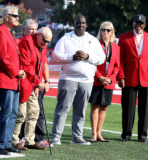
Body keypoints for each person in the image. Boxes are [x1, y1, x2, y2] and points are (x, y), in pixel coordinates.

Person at [51, 14, 105, 145]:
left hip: (86, 80)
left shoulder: (92, 40)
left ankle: (77, 137)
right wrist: (72, 57)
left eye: (83, 23)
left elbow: (101, 58)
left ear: (86, 25)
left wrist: (88, 56)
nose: (80, 25)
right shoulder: (65, 38)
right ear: (73, 24)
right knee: (63, 108)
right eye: (78, 23)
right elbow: (55, 56)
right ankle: (56, 137)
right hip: (68, 78)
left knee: (80, 110)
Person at [0, 6, 26, 155]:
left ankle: (6, 143)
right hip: (7, 78)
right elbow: (3, 58)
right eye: (14, 16)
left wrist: (19, 71)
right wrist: (16, 71)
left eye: (17, 16)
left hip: (13, 79)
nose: (18, 18)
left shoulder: (8, 33)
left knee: (13, 113)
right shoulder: (0, 32)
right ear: (6, 17)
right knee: (6, 112)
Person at [118, 14, 148, 142]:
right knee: (128, 108)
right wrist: (121, 77)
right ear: (133, 23)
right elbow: (120, 60)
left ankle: (142, 135)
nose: (138, 25)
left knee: (144, 109)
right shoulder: (124, 38)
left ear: (144, 25)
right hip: (129, 78)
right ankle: (126, 134)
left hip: (146, 78)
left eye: (141, 24)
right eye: (136, 23)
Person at [12, 27, 52, 150]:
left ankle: (29, 140)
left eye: (48, 42)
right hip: (24, 82)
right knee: (21, 114)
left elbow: (42, 64)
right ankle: (14, 141)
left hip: (32, 83)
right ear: (38, 35)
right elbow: (26, 65)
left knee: (35, 111)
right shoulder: (27, 42)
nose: (45, 44)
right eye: (44, 41)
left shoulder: (42, 46)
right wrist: (37, 81)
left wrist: (45, 81)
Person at [89, 21, 119, 142]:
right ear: (100, 31)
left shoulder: (116, 48)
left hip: (109, 82)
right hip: (97, 80)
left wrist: (110, 78)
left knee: (104, 107)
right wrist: (100, 77)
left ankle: (99, 132)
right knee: (95, 106)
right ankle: (93, 134)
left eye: (108, 30)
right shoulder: (95, 45)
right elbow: (92, 63)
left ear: (112, 32)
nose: (105, 32)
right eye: (103, 29)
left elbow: (117, 66)